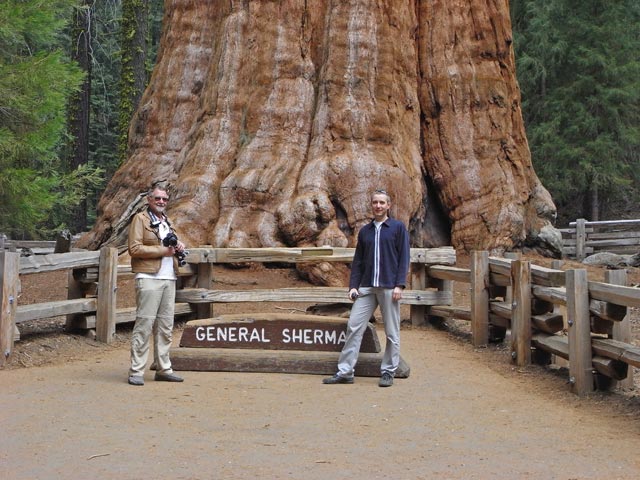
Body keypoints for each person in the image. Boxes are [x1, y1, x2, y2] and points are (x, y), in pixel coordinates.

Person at [323, 189, 410, 387]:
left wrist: (399, 284)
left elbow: (404, 258)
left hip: (389, 286)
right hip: (367, 287)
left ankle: (388, 370)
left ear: (388, 206)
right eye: (375, 202)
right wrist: (353, 286)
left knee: (391, 331)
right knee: (354, 326)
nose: (378, 206)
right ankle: (345, 371)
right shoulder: (365, 231)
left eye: (382, 202)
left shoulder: (397, 228)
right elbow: (359, 261)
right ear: (371, 205)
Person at [127, 184, 186, 386]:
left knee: (165, 326)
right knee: (144, 324)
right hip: (149, 277)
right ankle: (136, 371)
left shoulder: (167, 222)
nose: (161, 202)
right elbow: (134, 248)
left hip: (169, 278)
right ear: (149, 200)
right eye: (157, 198)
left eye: (164, 199)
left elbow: (169, 247)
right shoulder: (140, 220)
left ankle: (163, 368)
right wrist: (162, 251)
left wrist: (178, 246)